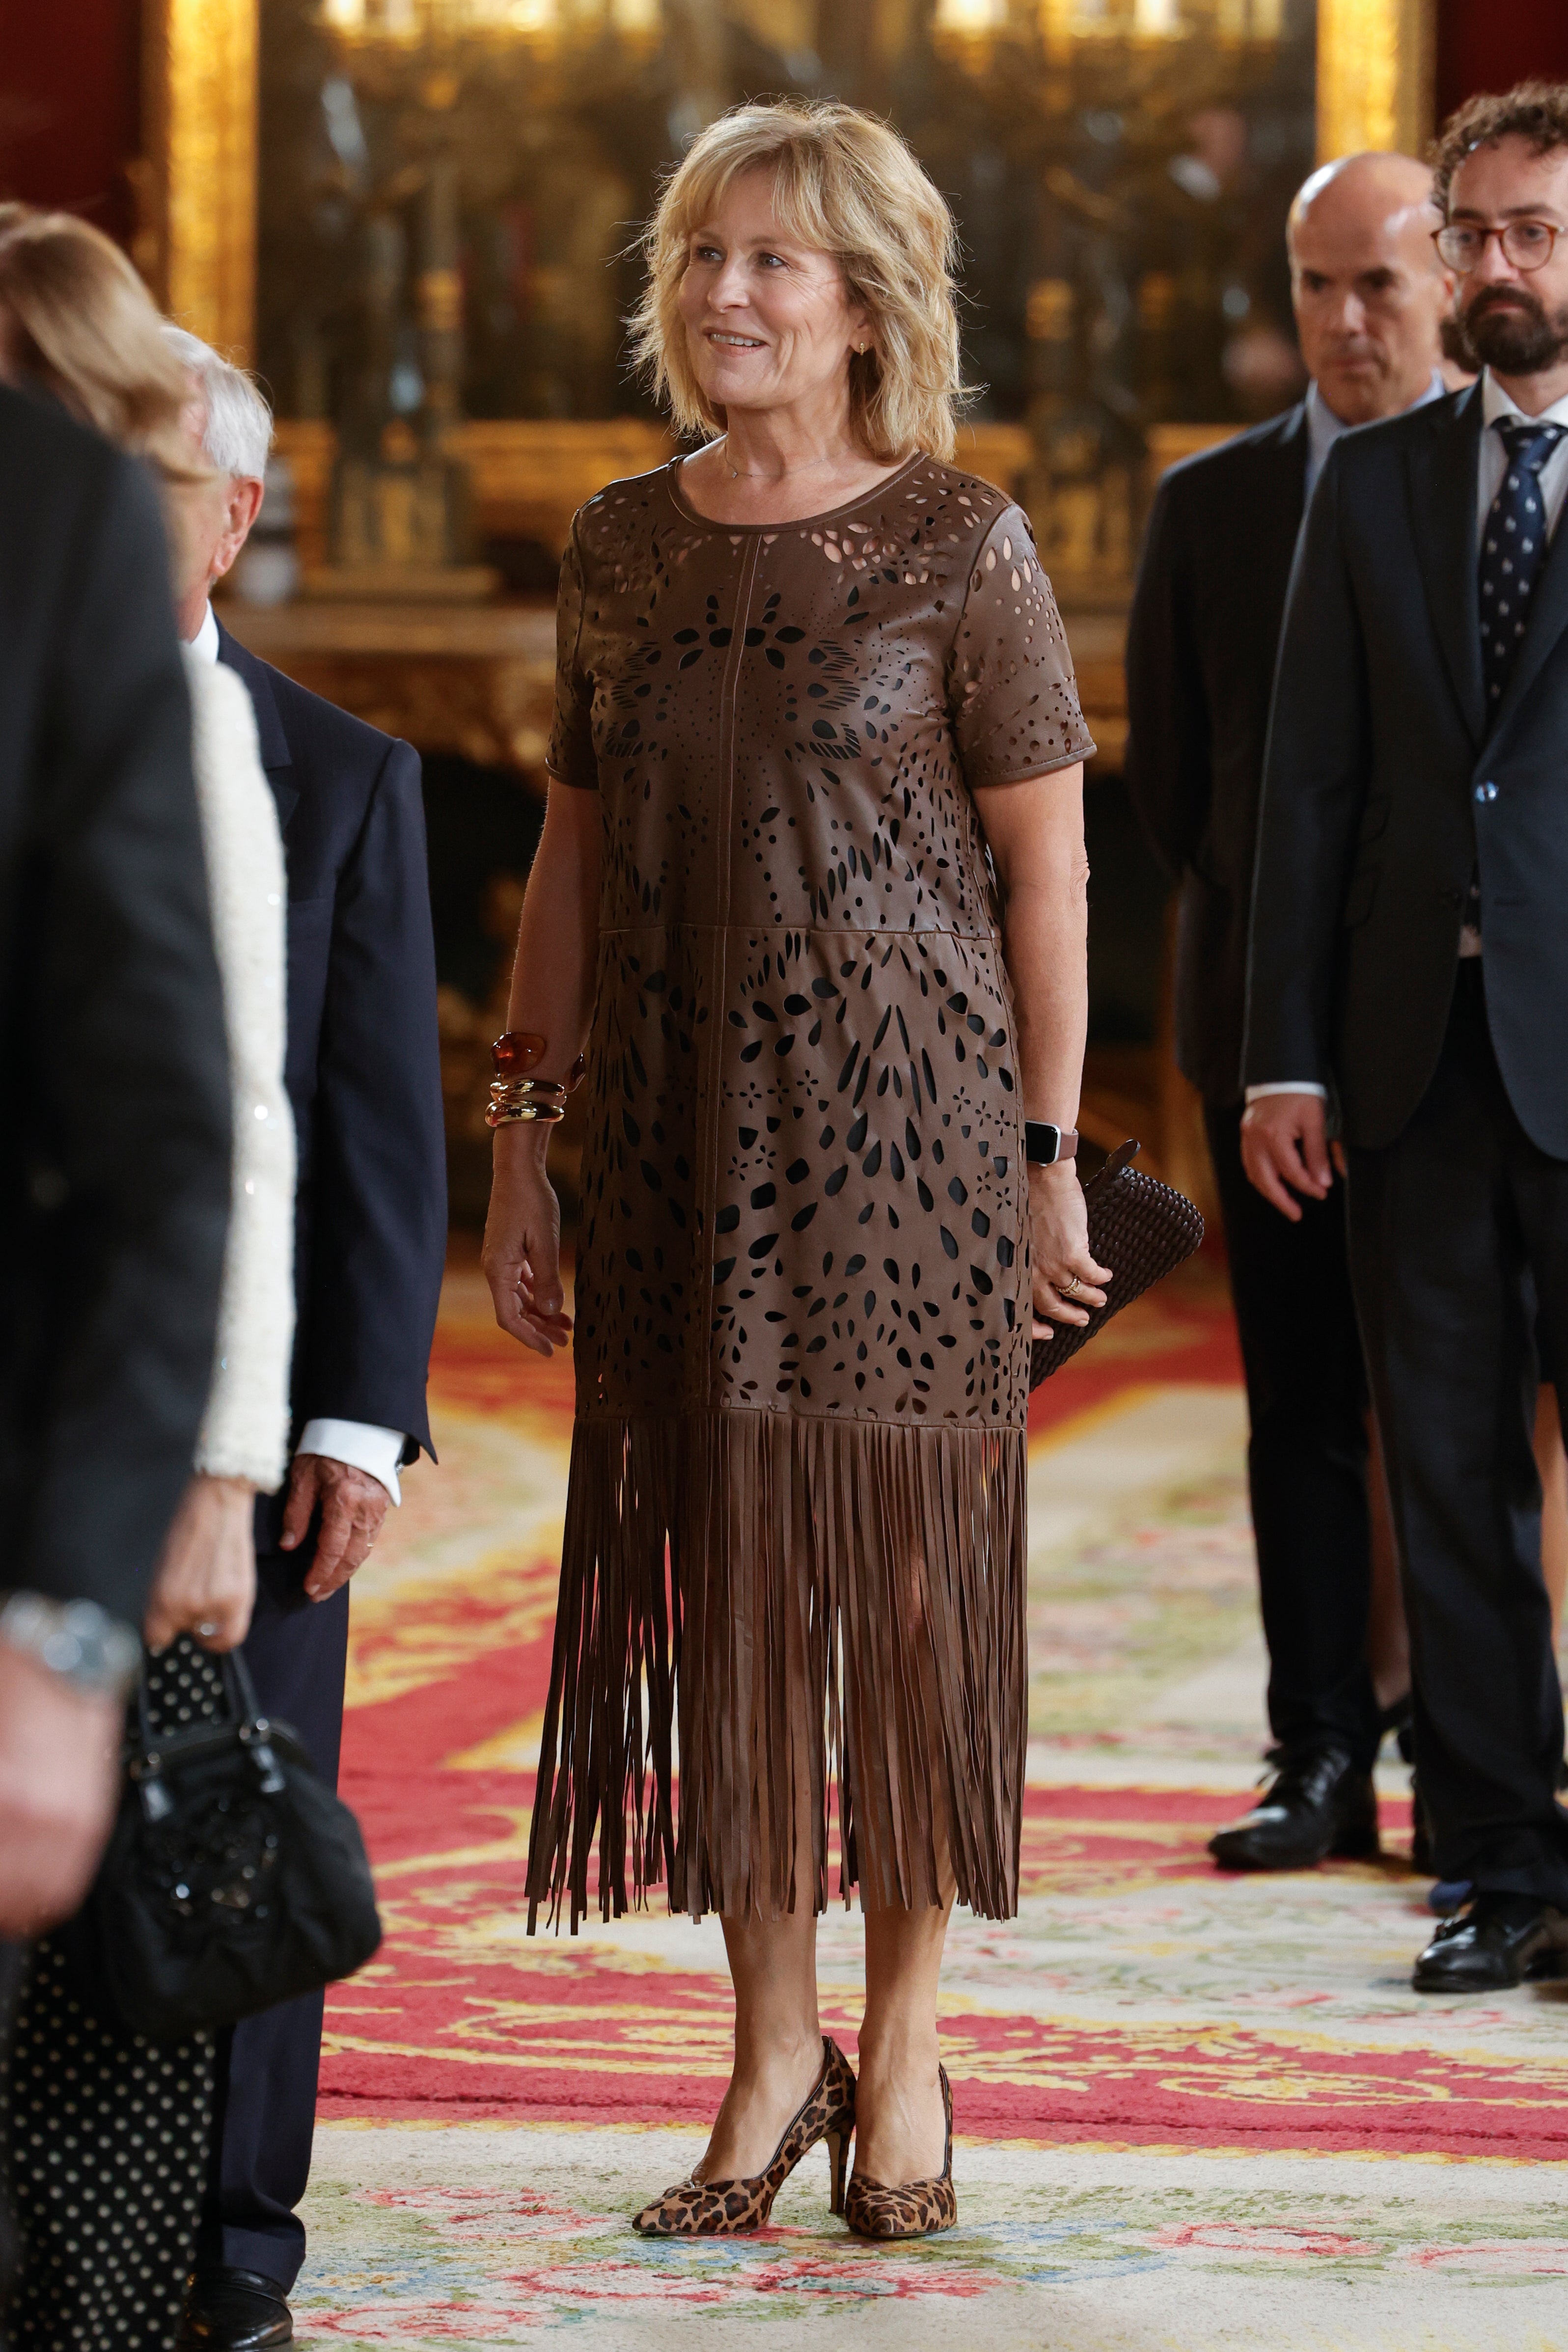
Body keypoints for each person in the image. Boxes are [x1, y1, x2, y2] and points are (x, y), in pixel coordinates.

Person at [482, 98, 1101, 2240]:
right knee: (734, 1606)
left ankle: (907, 2040)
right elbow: (567, 850)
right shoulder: (619, 543)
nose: (726, 293)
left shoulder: (959, 543)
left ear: (864, 306)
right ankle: (770, 2049)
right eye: (702, 256)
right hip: (666, 1146)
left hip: (908, 1146)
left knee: (899, 1606)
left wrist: (1040, 1154)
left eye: (773, 260)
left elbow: (1049, 873)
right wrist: (525, 1134)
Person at [0, 205, 299, 2352]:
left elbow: (214, 1127)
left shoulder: (69, 564)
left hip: (51, 1439)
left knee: (111, 1985)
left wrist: (186, 1484)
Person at [1243, 81, 1568, 1993]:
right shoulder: (1370, 483)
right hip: (1409, 1058)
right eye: (1479, 236)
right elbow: (1310, 787)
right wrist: (1283, 1052)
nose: (1501, 267)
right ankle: (1499, 1864)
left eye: (1536, 231)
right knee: (1441, 1463)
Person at [155, 329, 447, 2351]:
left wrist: (357, 1416)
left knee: (244, 1825)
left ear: (234, 517)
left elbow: (370, 1134)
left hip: (252, 1410)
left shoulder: (338, 773)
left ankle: (235, 2250)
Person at [1125, 153, 1454, 1873]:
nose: (1340, 320)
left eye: (1376, 284)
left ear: (1451, 279)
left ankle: (1477, 1767)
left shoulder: (1499, 486)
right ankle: (1318, 1751)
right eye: (1313, 284)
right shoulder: (1214, 504)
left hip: (1466, 1039)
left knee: (1467, 1407)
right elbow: (1180, 791)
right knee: (1303, 1402)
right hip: (1267, 1035)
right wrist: (1285, 1002)